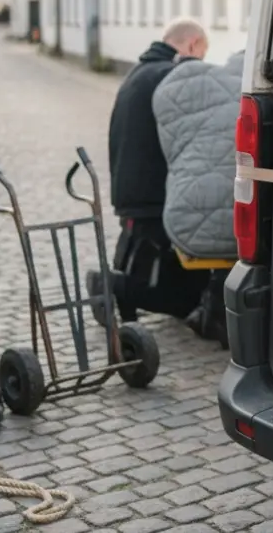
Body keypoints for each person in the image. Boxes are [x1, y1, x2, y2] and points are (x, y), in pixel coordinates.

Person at [93, 18, 211, 329]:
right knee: (182, 292)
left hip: (130, 185)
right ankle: (116, 286)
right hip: (153, 190)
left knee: (144, 258)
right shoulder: (170, 75)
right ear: (192, 45)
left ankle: (122, 294)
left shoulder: (141, 71)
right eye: (202, 54)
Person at [152, 50, 246, 346]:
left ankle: (212, 313)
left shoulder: (181, 87)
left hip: (185, 220)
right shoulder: (250, 90)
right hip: (250, 223)